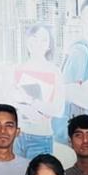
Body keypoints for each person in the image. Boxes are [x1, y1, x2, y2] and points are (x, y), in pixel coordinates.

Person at [12, 24, 65, 158]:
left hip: (40, 138)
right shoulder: (17, 69)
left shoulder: (54, 72)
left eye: (44, 40)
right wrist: (21, 106)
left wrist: (31, 101)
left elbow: (58, 109)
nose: (38, 43)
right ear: (27, 41)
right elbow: (11, 104)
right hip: (16, 136)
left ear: (49, 45)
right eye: (34, 38)